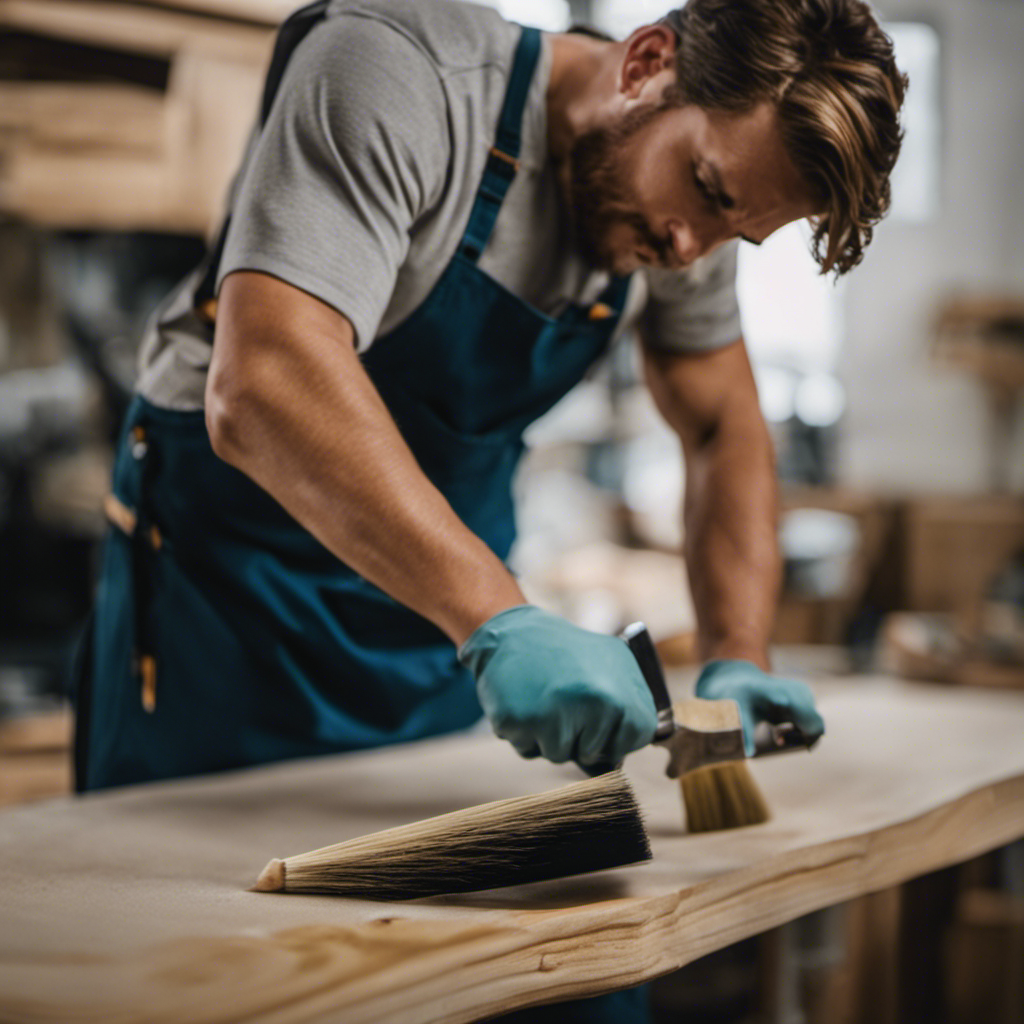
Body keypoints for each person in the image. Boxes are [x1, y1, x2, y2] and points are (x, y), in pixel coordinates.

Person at [73, 0, 904, 1017]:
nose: (691, 250)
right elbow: (266, 384)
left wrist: (737, 651)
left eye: (737, 230)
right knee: (200, 962)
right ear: (645, 62)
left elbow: (723, 426)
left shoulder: (693, 210)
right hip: (232, 594)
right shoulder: (397, 72)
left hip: (437, 626)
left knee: (447, 971)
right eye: (705, 190)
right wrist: (497, 616)